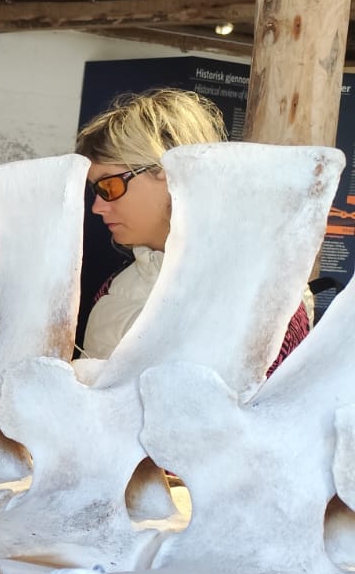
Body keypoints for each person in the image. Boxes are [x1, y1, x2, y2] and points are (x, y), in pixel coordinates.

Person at [76, 88, 308, 370]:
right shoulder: (114, 287)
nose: (97, 207)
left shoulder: (266, 294)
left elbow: (274, 411)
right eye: (94, 190)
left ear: (169, 172)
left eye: (109, 186)